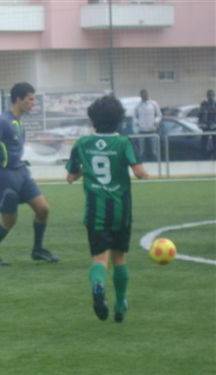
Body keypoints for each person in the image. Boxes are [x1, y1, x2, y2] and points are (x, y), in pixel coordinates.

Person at [65, 95, 149, 323]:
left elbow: (71, 175)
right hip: (121, 211)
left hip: (95, 212)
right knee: (119, 258)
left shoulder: (82, 143)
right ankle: (120, 304)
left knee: (100, 260)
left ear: (93, 120)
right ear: (119, 120)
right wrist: (144, 173)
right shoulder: (124, 143)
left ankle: (98, 285)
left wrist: (82, 172)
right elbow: (139, 173)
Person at [0, 82, 59, 266]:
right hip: (5, 176)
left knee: (43, 209)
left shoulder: (18, 122)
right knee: (10, 220)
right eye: (30, 99)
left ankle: (37, 250)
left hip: (21, 172)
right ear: (18, 99)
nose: (33, 103)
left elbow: (1, 149)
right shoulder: (3, 121)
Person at [133, 89, 162, 162]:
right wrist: (138, 123)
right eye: (142, 95)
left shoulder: (153, 104)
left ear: (147, 94)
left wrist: (155, 121)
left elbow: (159, 115)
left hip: (152, 130)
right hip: (142, 131)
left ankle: (156, 162)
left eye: (145, 94)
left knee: (154, 150)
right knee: (141, 150)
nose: (144, 96)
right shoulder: (138, 106)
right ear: (141, 96)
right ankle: (142, 162)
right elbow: (134, 117)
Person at [198, 89, 216, 157]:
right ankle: (204, 157)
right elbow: (200, 115)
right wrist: (202, 124)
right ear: (207, 96)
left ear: (214, 96)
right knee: (204, 143)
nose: (210, 97)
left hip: (214, 127)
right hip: (206, 127)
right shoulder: (204, 104)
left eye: (212, 95)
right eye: (209, 95)